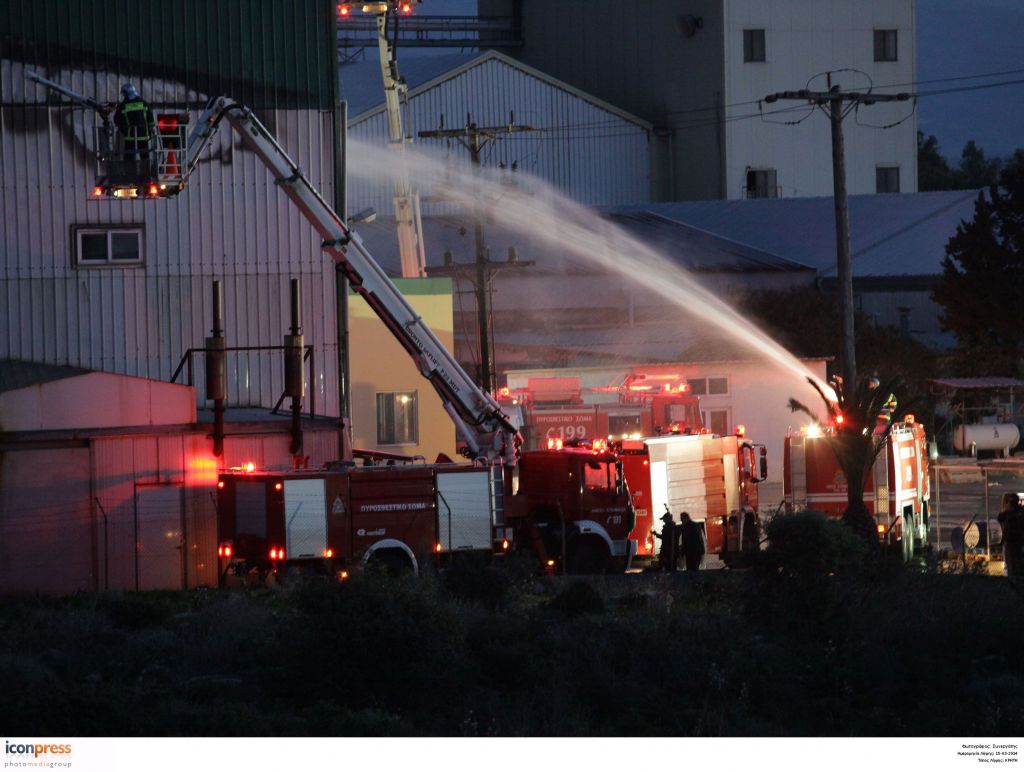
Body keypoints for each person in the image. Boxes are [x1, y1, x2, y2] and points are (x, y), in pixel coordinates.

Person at [113, 83, 155, 170]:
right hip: (144, 135)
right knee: (145, 157)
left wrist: (123, 129)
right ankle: (146, 174)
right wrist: (150, 132)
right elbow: (151, 119)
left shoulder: (123, 106)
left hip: (130, 136)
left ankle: (129, 174)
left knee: (128, 157)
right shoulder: (144, 103)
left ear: (126, 93)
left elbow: (116, 120)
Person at [997, 492, 1024, 577]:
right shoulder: (1012, 513)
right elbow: (1000, 518)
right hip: (1013, 543)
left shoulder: (1016, 514)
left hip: (1015, 543)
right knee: (1014, 566)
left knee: (1014, 567)